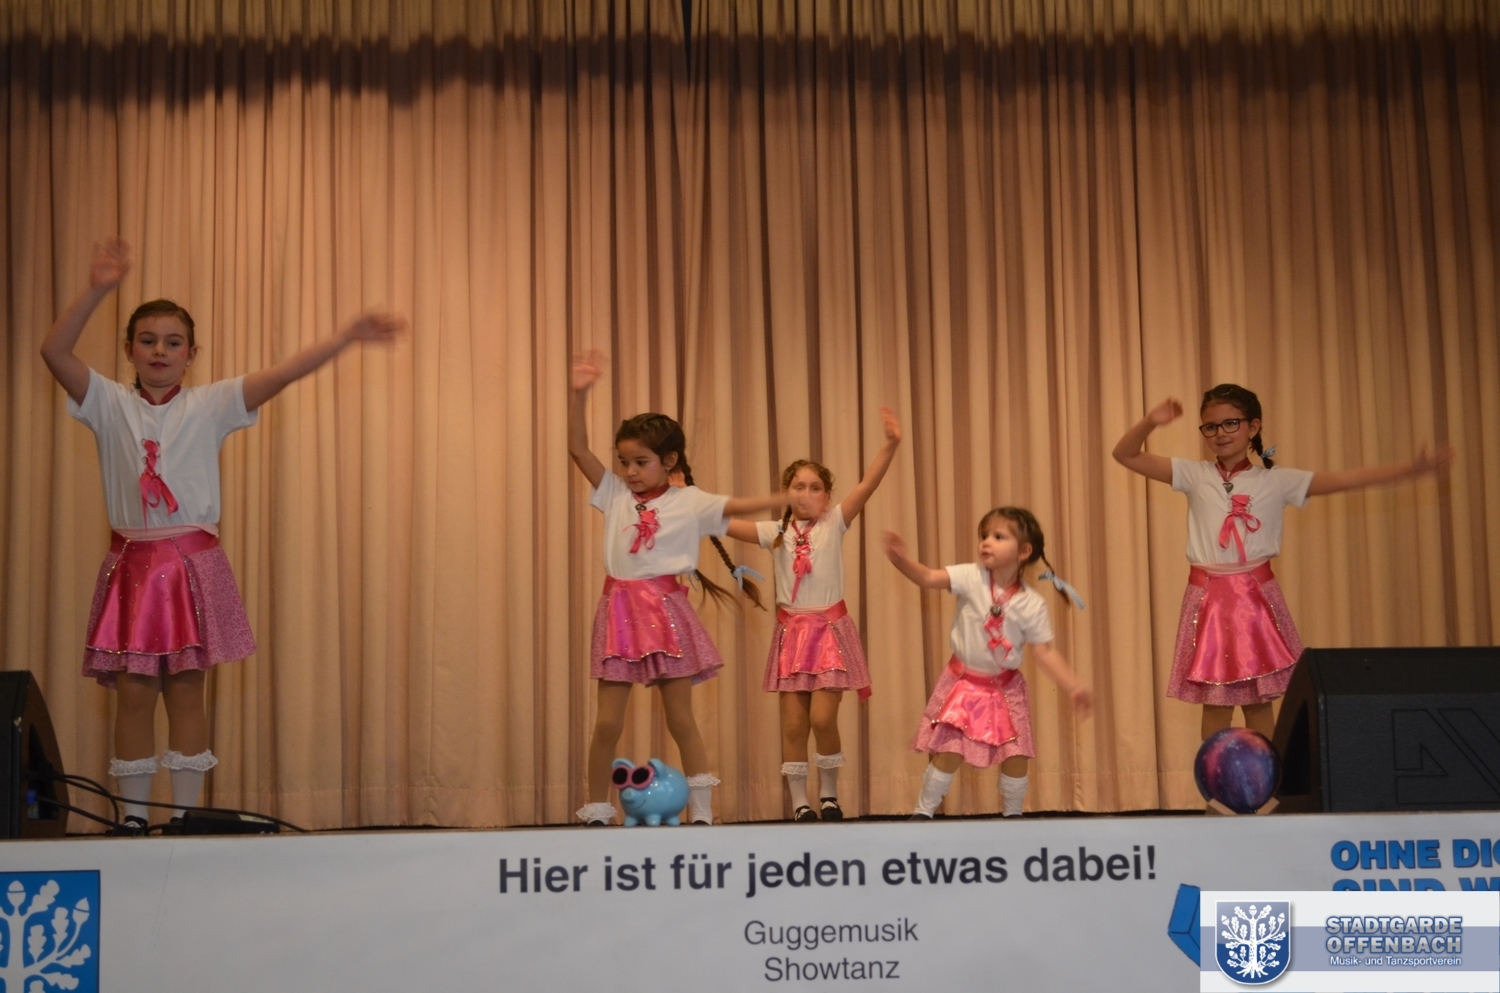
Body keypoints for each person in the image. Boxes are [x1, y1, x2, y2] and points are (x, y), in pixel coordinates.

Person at [40, 237, 405, 833]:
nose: (160, 350)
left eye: (173, 341)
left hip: (191, 561)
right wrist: (97, 289)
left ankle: (186, 818)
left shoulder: (211, 404)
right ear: (129, 350)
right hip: (133, 562)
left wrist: (344, 338)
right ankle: (134, 820)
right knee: (134, 692)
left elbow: (284, 373)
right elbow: (54, 350)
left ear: (192, 353)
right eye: (148, 340)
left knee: (187, 690)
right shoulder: (106, 402)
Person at [1112, 385, 1454, 743]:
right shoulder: (1193, 474)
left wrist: (1411, 469)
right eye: (1210, 427)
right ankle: (1216, 780)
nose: (1221, 433)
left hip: (1254, 599)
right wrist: (1151, 422)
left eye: (1231, 423)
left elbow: (1343, 480)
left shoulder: (1275, 481)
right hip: (1208, 598)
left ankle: (1267, 776)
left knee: (1260, 701)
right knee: (1215, 703)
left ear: (1253, 426)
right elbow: (1125, 454)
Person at [569, 352, 783, 825]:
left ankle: (702, 811)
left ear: (668, 461)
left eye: (641, 462)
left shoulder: (690, 501)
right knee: (607, 721)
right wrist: (579, 395)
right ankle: (597, 810)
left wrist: (783, 498)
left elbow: (737, 506)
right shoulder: (615, 494)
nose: (630, 471)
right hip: (619, 611)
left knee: (680, 717)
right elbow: (578, 450)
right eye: (624, 462)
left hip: (666, 611)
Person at [724, 409, 901, 821]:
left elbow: (867, 484)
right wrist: (685, 500)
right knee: (793, 726)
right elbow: (725, 523)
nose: (806, 493)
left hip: (828, 634)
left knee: (823, 719)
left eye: (815, 487)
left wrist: (890, 445)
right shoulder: (776, 532)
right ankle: (801, 802)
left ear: (826, 496)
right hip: (792, 637)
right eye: (798, 486)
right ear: (786, 493)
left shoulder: (833, 523)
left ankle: (830, 794)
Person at [883, 508, 1091, 819]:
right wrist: (901, 561)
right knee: (949, 751)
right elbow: (927, 577)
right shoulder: (971, 577)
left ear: (1024, 551)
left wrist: (1073, 686)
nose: (986, 542)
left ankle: (1013, 816)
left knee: (1016, 754)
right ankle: (923, 813)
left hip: (1006, 689)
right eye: (984, 536)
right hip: (963, 684)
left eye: (998, 537)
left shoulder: (1032, 603)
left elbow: (1044, 652)